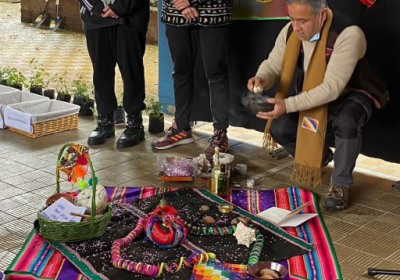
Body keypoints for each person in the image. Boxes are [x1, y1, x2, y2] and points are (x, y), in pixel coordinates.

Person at [247, 0, 387, 210]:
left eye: (302, 21)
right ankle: (320, 156)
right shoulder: (290, 31)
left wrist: (286, 104)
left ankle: (340, 184)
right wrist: (261, 78)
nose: (295, 27)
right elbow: (273, 64)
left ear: (322, 16)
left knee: (346, 122)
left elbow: (332, 88)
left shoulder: (348, 34)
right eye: (292, 19)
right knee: (279, 127)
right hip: (315, 91)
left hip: (354, 92)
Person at [152, 0, 233, 157]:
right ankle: (181, 127)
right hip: (175, 12)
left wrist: (190, 2)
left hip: (213, 11)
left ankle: (220, 134)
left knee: (216, 75)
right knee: (180, 72)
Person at [78, 0, 149, 148]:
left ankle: (135, 124)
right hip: (96, 18)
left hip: (130, 17)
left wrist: (121, 7)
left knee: (132, 71)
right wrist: (97, 7)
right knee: (101, 72)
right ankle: (105, 120)